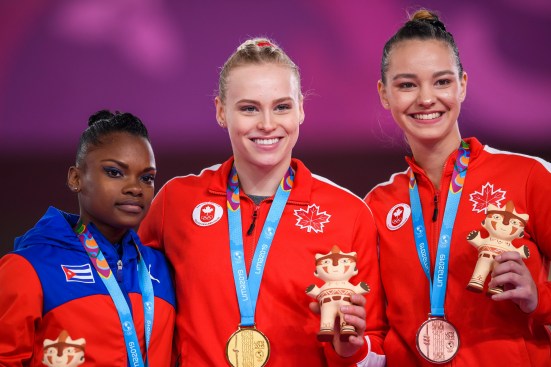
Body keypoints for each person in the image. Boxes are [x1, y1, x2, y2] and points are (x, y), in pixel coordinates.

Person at [138, 38, 386, 366]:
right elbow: (131, 301)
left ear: (300, 109)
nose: (267, 124)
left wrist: (349, 349)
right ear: (221, 111)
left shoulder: (349, 212)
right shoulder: (178, 202)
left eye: (281, 106)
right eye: (249, 108)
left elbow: (376, 347)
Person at [365, 9, 551, 366]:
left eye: (442, 81)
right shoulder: (376, 206)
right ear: (384, 94)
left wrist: (538, 299)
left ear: (463, 84)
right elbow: (374, 332)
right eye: (406, 84)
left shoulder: (527, 176)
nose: (426, 99)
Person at [0, 110, 176, 366]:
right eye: (115, 172)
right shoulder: (28, 269)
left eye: (146, 178)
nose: (135, 188)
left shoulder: (162, 268)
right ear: (76, 178)